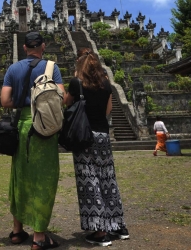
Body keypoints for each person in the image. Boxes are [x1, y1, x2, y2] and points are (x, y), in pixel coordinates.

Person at [0, 32, 65, 250]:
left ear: (25, 47)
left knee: (20, 178)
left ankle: (17, 231)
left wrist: (23, 101)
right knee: (44, 180)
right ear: (43, 47)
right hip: (44, 128)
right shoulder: (51, 67)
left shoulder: (13, 69)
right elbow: (62, 97)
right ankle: (39, 237)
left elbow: (5, 101)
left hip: (21, 127)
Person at [64, 48, 129, 247]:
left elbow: (66, 104)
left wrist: (76, 84)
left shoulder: (77, 83)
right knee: (107, 178)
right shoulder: (106, 85)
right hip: (103, 136)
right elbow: (108, 110)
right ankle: (118, 226)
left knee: (89, 181)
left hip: (85, 136)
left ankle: (100, 232)